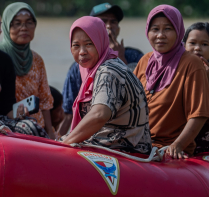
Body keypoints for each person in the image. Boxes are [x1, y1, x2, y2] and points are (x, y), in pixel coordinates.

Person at [60, 16, 152, 155]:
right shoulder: (92, 69)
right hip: (106, 142)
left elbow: (99, 114)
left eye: (89, 44)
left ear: (100, 43)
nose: (82, 51)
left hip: (127, 151)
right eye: (76, 45)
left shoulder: (109, 70)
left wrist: (63, 145)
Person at [133, 5, 209, 159]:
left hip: (170, 148)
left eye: (168, 29)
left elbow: (199, 114)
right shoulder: (145, 61)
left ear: (178, 31)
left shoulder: (192, 63)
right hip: (138, 144)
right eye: (155, 29)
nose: (160, 35)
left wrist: (177, 145)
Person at [0, 2, 56, 138]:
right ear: (6, 26)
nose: (24, 28)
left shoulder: (37, 60)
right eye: (17, 23)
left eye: (29, 23)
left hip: (37, 127)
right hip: (8, 127)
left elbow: (45, 101)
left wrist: (50, 133)